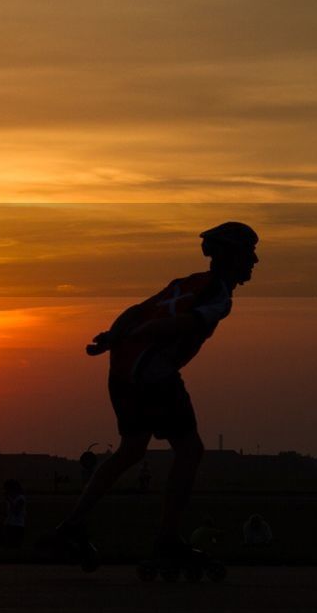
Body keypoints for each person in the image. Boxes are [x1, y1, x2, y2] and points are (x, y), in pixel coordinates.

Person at [41, 222, 259, 570]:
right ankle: (168, 540)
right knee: (190, 451)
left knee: (131, 450)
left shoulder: (184, 283)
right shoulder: (218, 294)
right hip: (154, 373)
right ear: (233, 256)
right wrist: (149, 332)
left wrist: (113, 336)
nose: (255, 261)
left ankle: (71, 526)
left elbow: (134, 310)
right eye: (249, 254)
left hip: (123, 370)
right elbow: (186, 323)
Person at [3, 479, 27, 547]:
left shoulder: (21, 498)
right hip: (9, 523)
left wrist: (9, 500)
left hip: (17, 525)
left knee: (15, 545)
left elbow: (16, 511)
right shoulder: (11, 498)